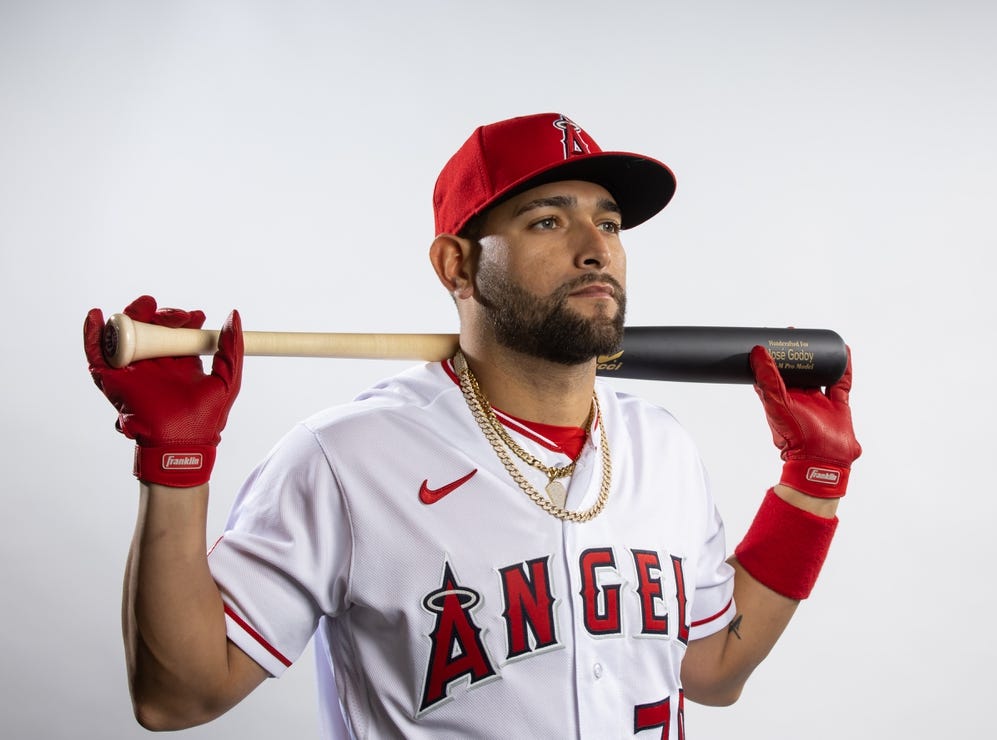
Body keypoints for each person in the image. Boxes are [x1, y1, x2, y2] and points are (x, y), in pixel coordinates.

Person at [84, 112, 861, 738]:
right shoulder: (348, 459)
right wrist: (175, 467)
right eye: (549, 222)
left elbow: (711, 674)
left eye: (611, 224)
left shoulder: (663, 448)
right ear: (457, 266)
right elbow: (176, 698)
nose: (597, 251)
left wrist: (810, 491)